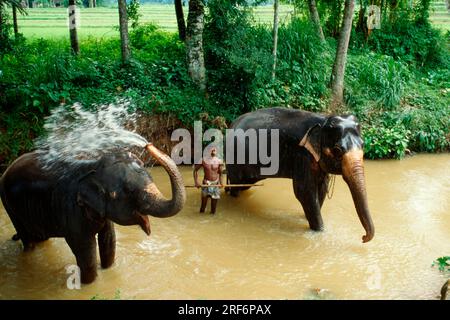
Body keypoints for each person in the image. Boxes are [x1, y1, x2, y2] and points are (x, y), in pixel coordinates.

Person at [193, 147, 224, 214]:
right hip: (206, 183)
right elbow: (195, 171)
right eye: (211, 150)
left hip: (215, 184)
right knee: (202, 207)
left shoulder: (219, 161)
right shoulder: (203, 160)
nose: (213, 151)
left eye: (214, 150)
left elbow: (221, 173)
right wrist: (196, 182)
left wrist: (221, 182)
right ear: (208, 151)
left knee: (213, 210)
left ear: (216, 151)